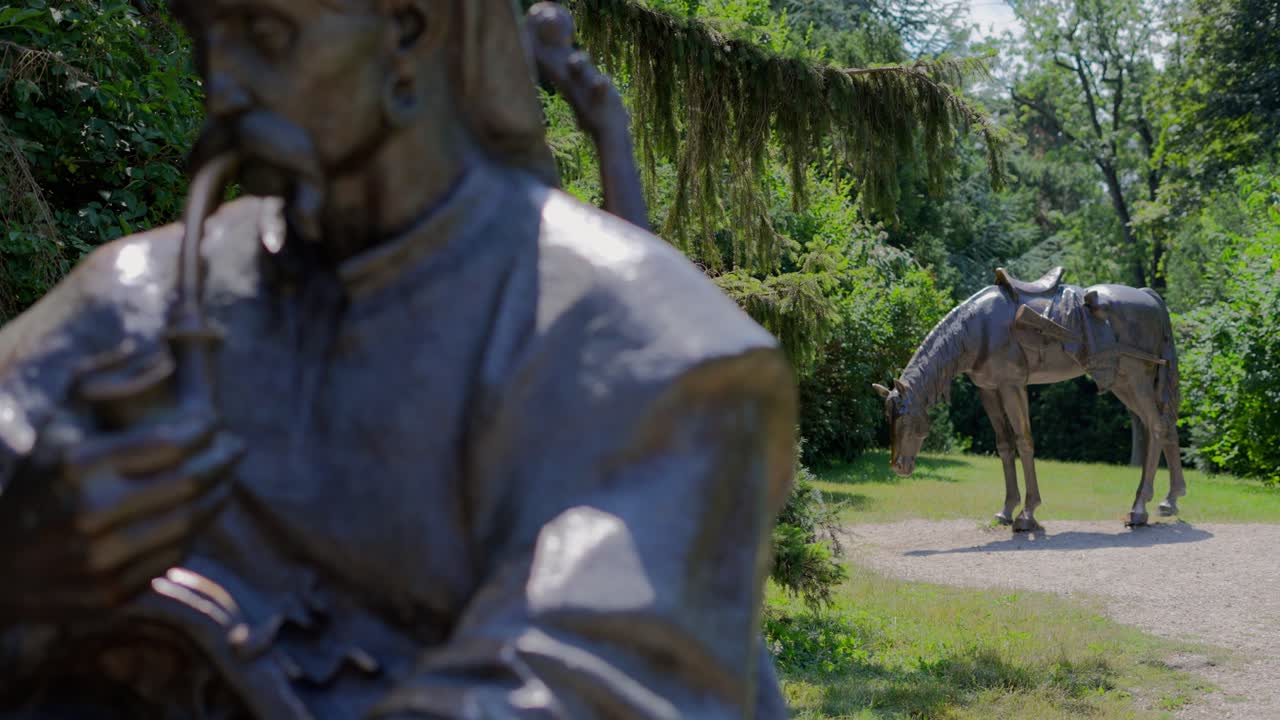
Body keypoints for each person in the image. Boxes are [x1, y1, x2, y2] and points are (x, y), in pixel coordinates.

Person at [0, 0, 797, 717]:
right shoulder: (128, 303)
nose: (223, 87)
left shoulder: (649, 355)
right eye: (204, 35)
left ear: (410, 30)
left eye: (264, 34)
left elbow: (579, 692)